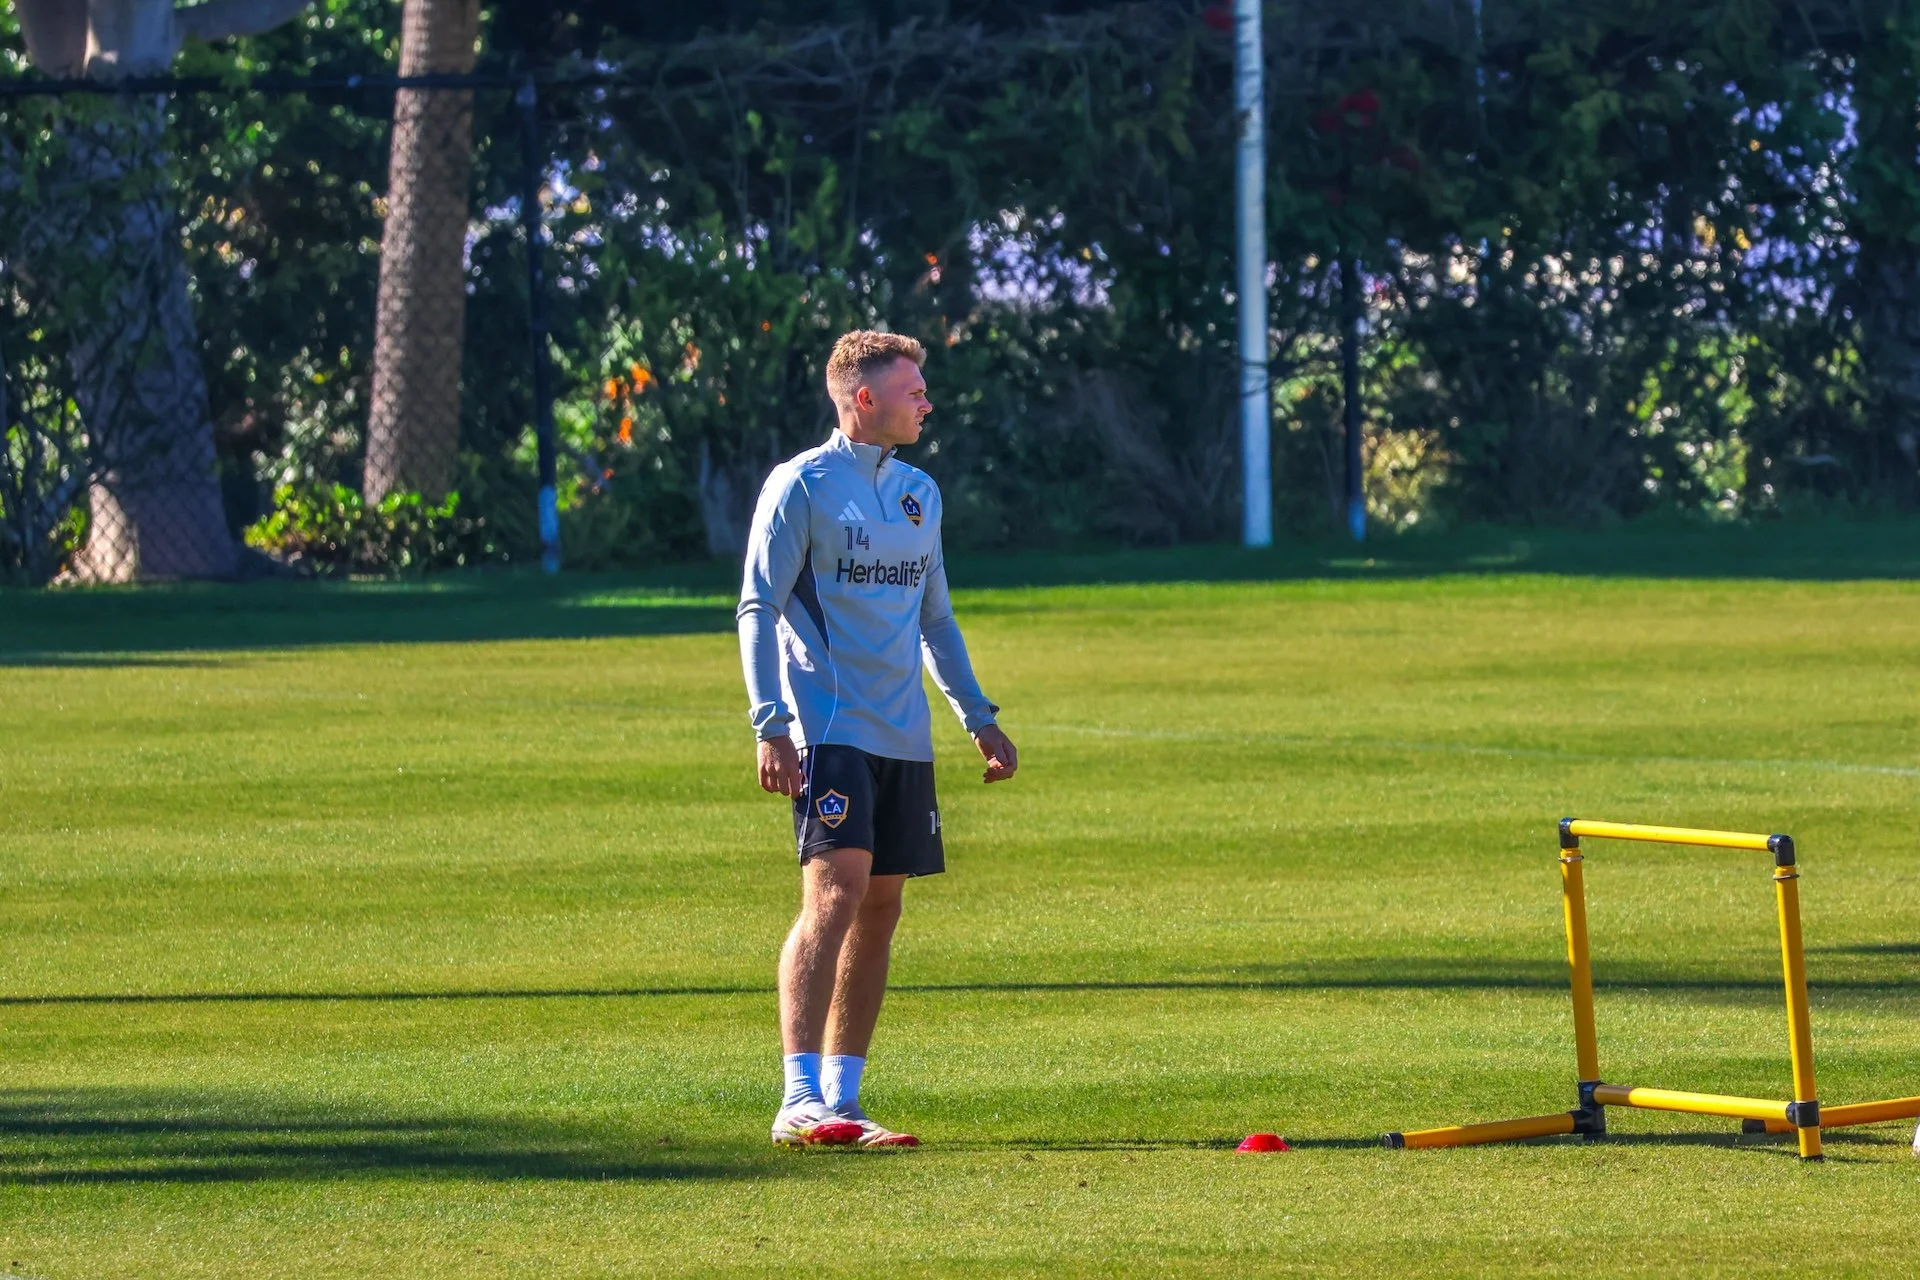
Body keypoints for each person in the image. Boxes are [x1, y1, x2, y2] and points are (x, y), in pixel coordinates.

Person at [737, 329, 1018, 1149]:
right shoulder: (802, 486)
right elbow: (758, 606)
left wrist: (978, 714)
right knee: (835, 893)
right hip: (827, 727)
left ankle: (844, 1099)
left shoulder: (920, 494)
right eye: (913, 389)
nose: (927, 400)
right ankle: (797, 1098)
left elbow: (935, 618)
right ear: (865, 399)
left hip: (904, 733)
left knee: (882, 906)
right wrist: (770, 723)